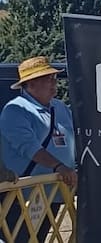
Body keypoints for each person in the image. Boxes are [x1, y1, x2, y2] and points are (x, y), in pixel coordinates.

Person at [0, 57, 77, 243]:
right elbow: (29, 146)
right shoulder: (16, 110)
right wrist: (59, 166)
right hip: (22, 194)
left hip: (55, 191)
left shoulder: (60, 108)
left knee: (39, 238)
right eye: (47, 78)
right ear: (30, 84)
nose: (53, 83)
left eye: (54, 78)